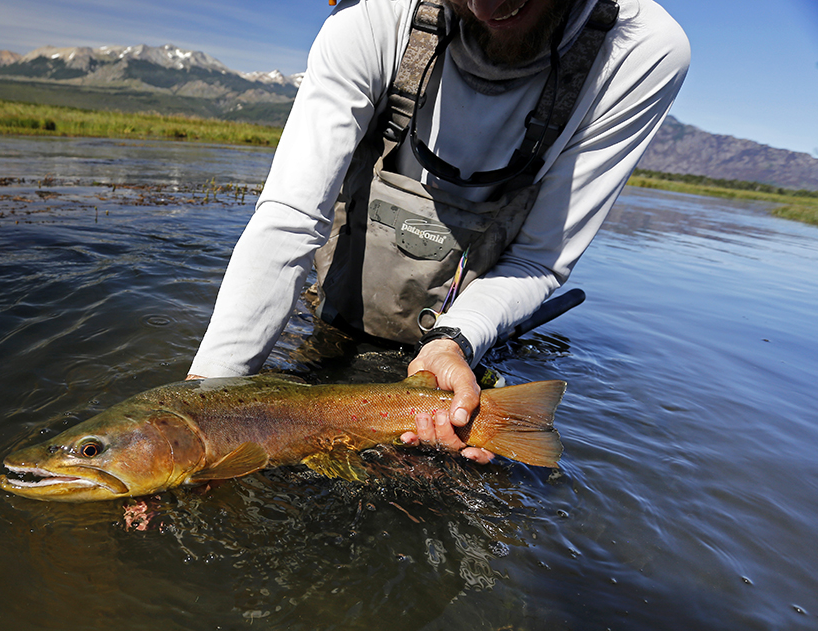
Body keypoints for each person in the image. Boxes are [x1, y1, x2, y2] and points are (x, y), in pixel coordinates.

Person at [187, 0, 689, 462]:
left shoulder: (645, 49)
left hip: (468, 340)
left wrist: (455, 342)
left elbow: (538, 259)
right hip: (336, 316)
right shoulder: (369, 14)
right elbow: (289, 220)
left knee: (426, 481)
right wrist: (202, 413)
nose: (487, 4)